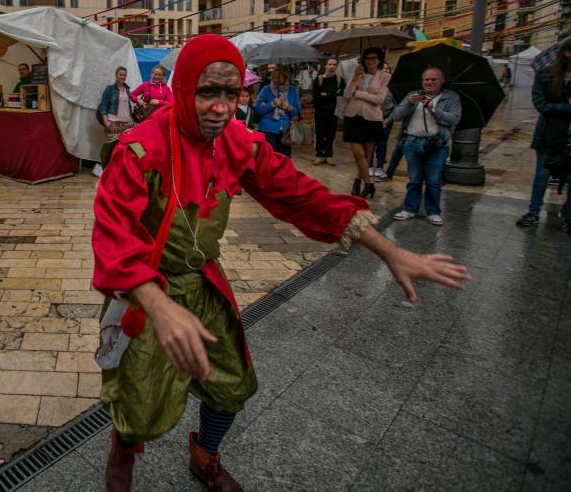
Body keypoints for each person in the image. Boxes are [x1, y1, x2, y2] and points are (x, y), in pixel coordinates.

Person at [92, 34, 470, 491]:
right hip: (145, 293)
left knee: (232, 383)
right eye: (209, 92)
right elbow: (113, 239)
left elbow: (300, 195)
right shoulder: (138, 150)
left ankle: (205, 453)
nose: (221, 107)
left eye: (232, 94)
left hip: (204, 287)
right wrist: (159, 305)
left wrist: (389, 250)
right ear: (185, 88)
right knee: (139, 399)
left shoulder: (236, 142)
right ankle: (122, 453)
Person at [391, 67, 461, 226]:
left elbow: (454, 119)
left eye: (433, 79)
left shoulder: (451, 97)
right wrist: (409, 102)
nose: (429, 82)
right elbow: (397, 115)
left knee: (433, 180)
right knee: (414, 179)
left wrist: (433, 109)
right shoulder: (413, 95)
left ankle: (433, 212)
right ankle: (409, 209)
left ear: (442, 81)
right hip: (412, 142)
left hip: (437, 145)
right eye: (426, 79)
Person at [516, 37, 571, 231]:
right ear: (567, 53)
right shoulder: (545, 75)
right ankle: (533, 212)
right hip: (549, 133)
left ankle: (568, 216)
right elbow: (542, 105)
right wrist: (568, 107)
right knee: (542, 175)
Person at [343, 47, 391, 198]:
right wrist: (355, 78)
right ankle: (369, 184)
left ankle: (358, 181)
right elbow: (347, 94)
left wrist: (359, 93)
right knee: (357, 152)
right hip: (353, 117)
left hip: (371, 118)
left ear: (379, 60)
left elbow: (379, 99)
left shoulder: (385, 76)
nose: (370, 61)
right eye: (367, 58)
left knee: (366, 155)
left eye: (374, 58)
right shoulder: (357, 73)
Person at [252, 64, 299, 157]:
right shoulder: (266, 89)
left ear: (285, 78)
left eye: (279, 78)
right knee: (267, 158)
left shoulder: (292, 91)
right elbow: (257, 109)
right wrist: (271, 104)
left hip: (285, 131)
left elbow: (296, 111)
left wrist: (289, 108)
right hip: (267, 129)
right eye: (274, 78)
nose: (275, 81)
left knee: (284, 159)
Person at [311, 57, 343, 165]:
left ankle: (328, 155)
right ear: (325, 66)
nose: (332, 66)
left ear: (336, 66)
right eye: (330, 64)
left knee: (331, 134)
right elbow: (316, 97)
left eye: (334, 64)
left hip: (333, 112)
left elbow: (341, 95)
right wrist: (332, 94)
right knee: (319, 133)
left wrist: (326, 94)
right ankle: (319, 154)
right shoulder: (319, 80)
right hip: (320, 111)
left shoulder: (340, 80)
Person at [370, 63, 397, 181]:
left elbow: (396, 106)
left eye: (387, 69)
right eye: (383, 69)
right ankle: (369, 165)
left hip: (387, 119)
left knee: (382, 143)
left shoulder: (394, 87)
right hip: (372, 119)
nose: (385, 71)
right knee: (371, 143)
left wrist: (387, 119)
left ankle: (379, 167)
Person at [99, 66, 136, 141]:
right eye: (120, 75)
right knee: (114, 145)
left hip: (127, 123)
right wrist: (106, 122)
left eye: (124, 75)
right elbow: (103, 105)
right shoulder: (109, 89)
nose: (122, 77)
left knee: (127, 145)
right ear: (116, 75)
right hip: (114, 122)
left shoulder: (127, 90)